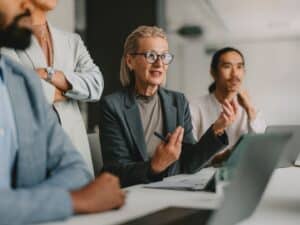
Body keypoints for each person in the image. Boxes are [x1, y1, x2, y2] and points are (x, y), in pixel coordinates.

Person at [0, 1, 124, 224]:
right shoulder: (22, 80)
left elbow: (78, 172)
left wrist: (49, 75)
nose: (28, 6)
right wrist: (74, 200)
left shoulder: (17, 79)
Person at [99, 26, 239, 187]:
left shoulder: (178, 101)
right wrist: (155, 166)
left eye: (164, 56)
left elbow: (189, 163)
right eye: (151, 56)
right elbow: (116, 172)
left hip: (169, 189)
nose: (159, 63)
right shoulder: (112, 105)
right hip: (132, 194)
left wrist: (217, 129)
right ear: (130, 61)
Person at [1, 0, 104, 174]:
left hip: (76, 147)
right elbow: (19, 92)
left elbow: (96, 85)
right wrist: (71, 90)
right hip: (32, 151)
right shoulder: (10, 36)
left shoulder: (72, 40)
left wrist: (47, 74)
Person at [190, 47, 266, 149]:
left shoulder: (252, 109)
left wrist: (250, 111)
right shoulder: (194, 107)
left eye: (239, 67)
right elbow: (189, 154)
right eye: (227, 66)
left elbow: (261, 147)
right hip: (207, 165)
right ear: (213, 73)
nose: (234, 74)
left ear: (244, 72)